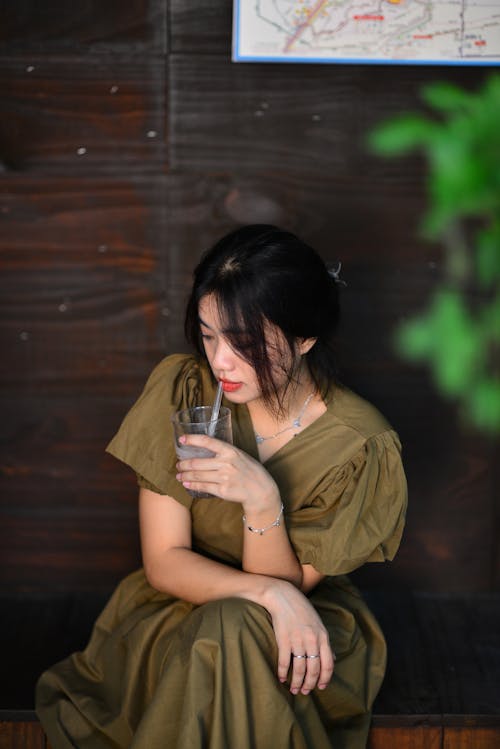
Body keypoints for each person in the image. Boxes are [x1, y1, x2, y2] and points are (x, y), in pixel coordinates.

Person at [36, 225, 407, 748]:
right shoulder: (188, 391)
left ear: (304, 338)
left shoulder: (360, 444)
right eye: (210, 335)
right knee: (224, 629)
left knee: (234, 630)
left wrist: (262, 498)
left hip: (300, 636)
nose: (221, 361)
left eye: (245, 342)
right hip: (181, 607)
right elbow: (164, 560)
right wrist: (269, 593)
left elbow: (287, 594)